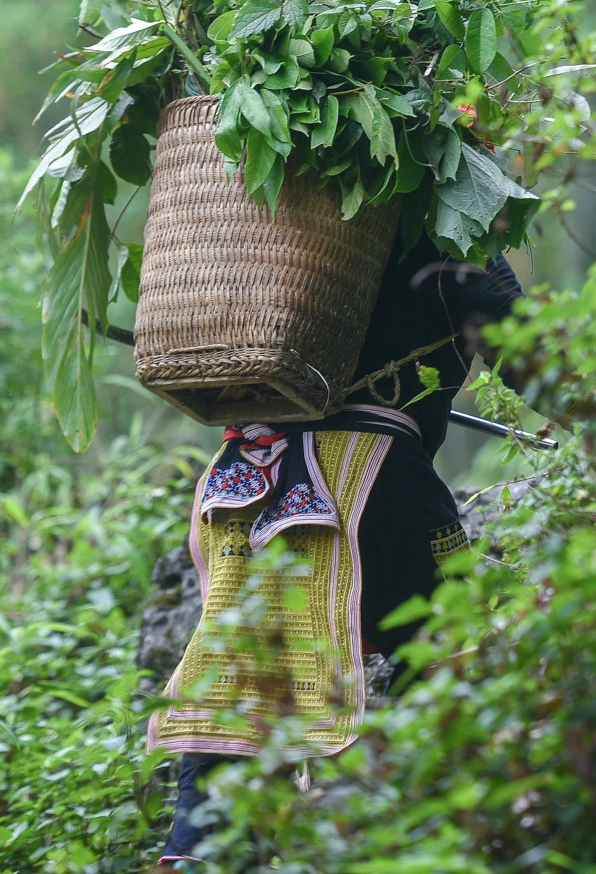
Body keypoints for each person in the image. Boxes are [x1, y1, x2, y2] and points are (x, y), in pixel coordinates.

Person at [147, 235, 524, 867]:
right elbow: (530, 352)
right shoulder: (446, 216)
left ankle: (201, 854)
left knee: (237, 698)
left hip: (242, 485)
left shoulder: (270, 218)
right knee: (454, 661)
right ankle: (433, 837)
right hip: (375, 481)